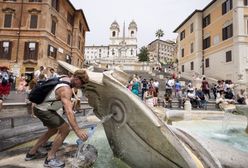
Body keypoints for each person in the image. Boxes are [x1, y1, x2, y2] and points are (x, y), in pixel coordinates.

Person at [25, 69, 89, 168]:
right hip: (44, 109)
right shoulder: (65, 89)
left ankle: (31, 153)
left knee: (53, 129)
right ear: (76, 78)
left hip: (43, 107)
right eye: (82, 82)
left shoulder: (64, 77)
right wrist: (77, 130)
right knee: (65, 129)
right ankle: (50, 159)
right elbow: (68, 111)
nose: (82, 85)